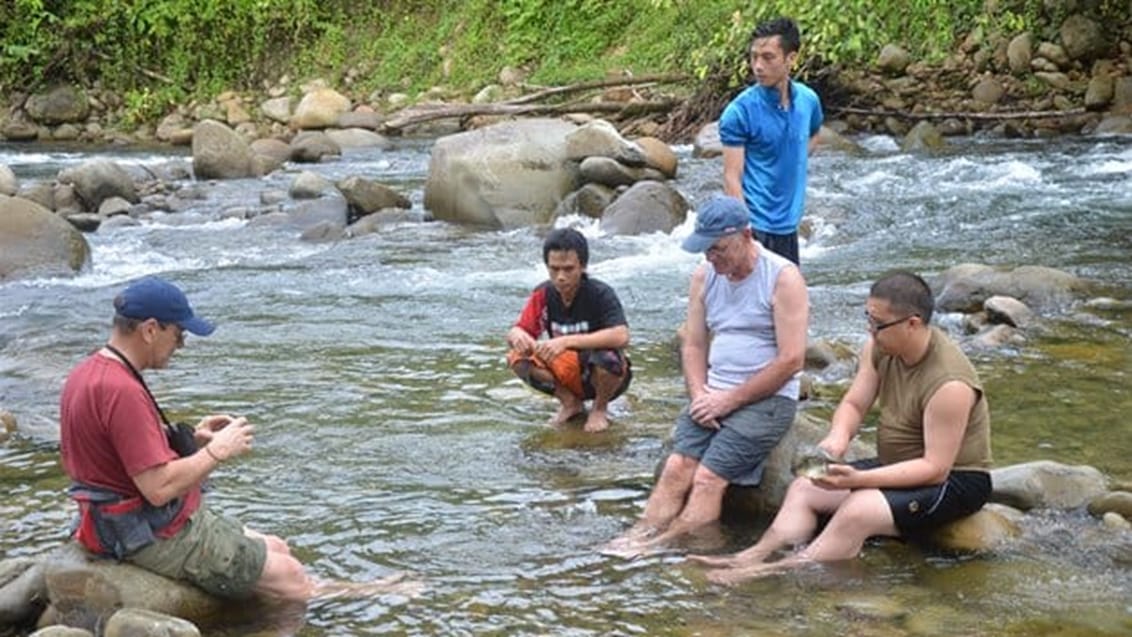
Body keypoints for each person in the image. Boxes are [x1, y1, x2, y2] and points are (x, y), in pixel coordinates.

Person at [691, 271, 993, 583]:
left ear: (912, 323)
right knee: (806, 487)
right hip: (898, 466)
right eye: (868, 317)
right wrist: (836, 441)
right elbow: (854, 404)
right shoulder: (879, 348)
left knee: (858, 509)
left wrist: (860, 479)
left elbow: (935, 469)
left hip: (955, 481)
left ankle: (769, 571)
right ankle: (750, 556)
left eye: (878, 323)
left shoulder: (949, 384)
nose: (870, 329)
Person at [59, 276, 312, 602]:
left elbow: (111, 449)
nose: (181, 346)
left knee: (277, 547)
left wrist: (192, 440)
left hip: (107, 520)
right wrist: (217, 452)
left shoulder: (89, 372)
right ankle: (365, 595)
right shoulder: (122, 391)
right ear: (150, 330)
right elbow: (159, 488)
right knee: (291, 578)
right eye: (179, 335)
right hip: (137, 533)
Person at [604, 195, 808, 557]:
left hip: (768, 399)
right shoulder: (704, 276)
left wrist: (728, 400)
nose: (712, 258)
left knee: (708, 478)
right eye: (706, 250)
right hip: (714, 393)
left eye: (719, 249)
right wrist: (699, 395)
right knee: (676, 468)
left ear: (747, 235)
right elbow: (694, 345)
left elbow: (791, 360)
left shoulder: (782, 278)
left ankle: (666, 546)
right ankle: (638, 535)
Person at [721, 16, 824, 266]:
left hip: (789, 226)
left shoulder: (808, 101)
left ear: (791, 59)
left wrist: (794, 160)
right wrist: (743, 232)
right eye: (754, 56)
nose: (758, 66)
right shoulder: (739, 112)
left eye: (768, 57)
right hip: (755, 226)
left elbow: (815, 133)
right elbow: (731, 177)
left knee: (788, 302)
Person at [506, 228, 631, 433]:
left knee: (607, 359)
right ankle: (570, 402)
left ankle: (599, 409)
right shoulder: (542, 294)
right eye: (554, 269)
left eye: (568, 269)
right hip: (565, 370)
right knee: (517, 358)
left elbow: (621, 335)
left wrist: (566, 341)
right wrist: (517, 335)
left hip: (602, 373)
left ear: (582, 266)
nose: (561, 277)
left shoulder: (600, 293)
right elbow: (520, 329)